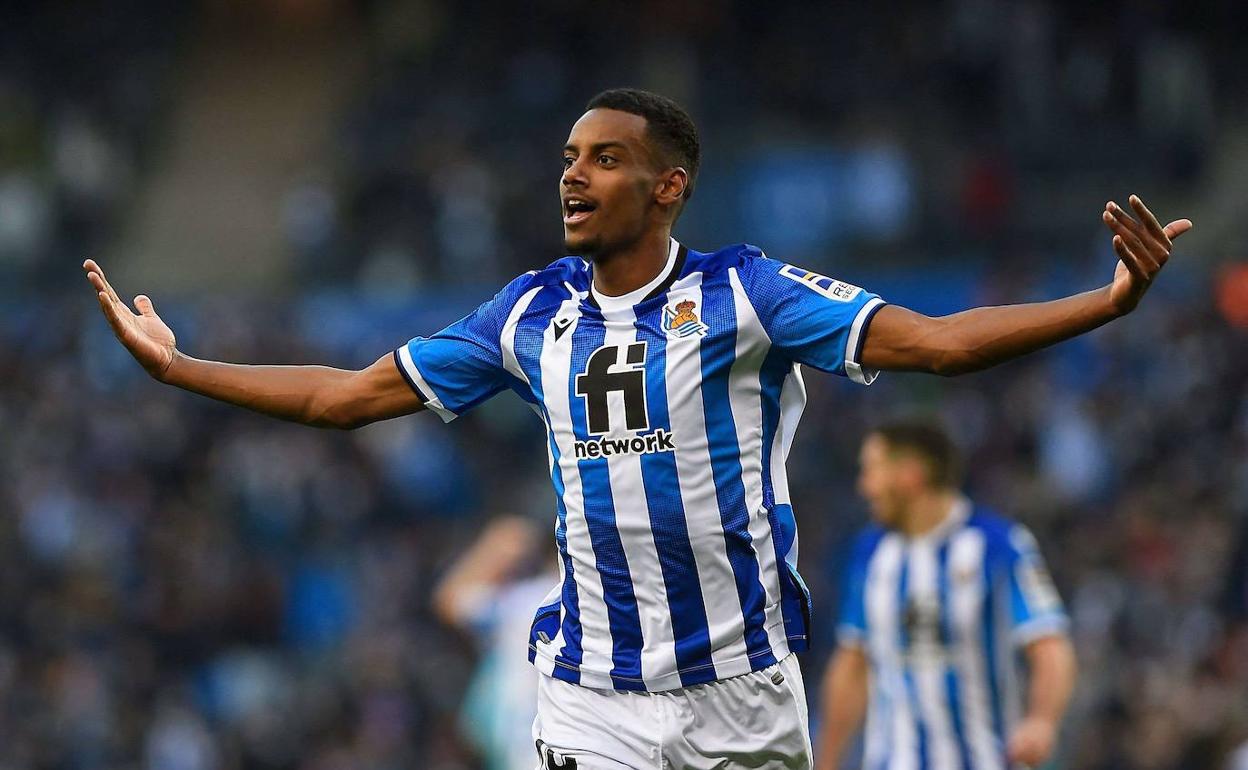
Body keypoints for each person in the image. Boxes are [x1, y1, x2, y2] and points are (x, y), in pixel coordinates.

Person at [83, 87, 1188, 769]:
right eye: (567, 155)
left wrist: (1105, 302)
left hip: (746, 688)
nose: (573, 172)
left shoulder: (748, 294)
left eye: (603, 157)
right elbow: (345, 397)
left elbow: (939, 343)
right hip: (593, 688)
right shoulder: (526, 313)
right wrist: (181, 368)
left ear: (668, 187)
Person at [815, 422, 1077, 770]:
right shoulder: (871, 553)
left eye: (873, 471)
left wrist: (1042, 721)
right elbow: (851, 664)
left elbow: (1049, 645)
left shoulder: (999, 546)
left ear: (910, 474)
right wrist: (826, 762)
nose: (864, 487)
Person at [432, 515, 558, 770]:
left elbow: (450, 600)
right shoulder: (536, 599)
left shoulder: (531, 601)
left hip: (528, 742)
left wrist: (494, 548)